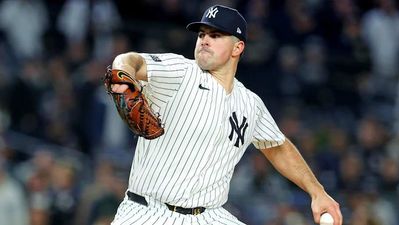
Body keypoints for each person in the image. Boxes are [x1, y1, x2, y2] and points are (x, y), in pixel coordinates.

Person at [108, 4, 342, 225]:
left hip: (207, 216)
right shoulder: (181, 73)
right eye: (201, 35)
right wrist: (123, 74)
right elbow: (130, 60)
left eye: (216, 35)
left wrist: (317, 192)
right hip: (148, 212)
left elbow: (278, 147)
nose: (204, 40)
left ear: (238, 47)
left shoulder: (250, 103)